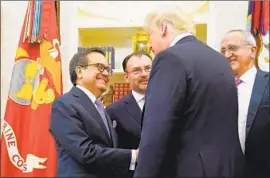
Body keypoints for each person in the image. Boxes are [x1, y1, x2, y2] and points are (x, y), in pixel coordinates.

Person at [134, 6, 244, 178]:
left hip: (188, 169)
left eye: (150, 35)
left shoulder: (169, 59)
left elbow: (157, 130)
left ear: (163, 28)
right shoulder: (219, 60)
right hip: (227, 168)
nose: (150, 45)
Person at [49, 48, 137, 178]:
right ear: (79, 72)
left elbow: (108, 149)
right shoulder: (65, 104)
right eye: (100, 67)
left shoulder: (100, 107)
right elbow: (85, 153)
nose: (106, 74)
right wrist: (134, 155)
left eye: (108, 69)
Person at [221, 29, 270, 178]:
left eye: (233, 48)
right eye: (223, 50)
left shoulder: (267, 83)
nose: (227, 55)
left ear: (253, 50)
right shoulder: (216, 87)